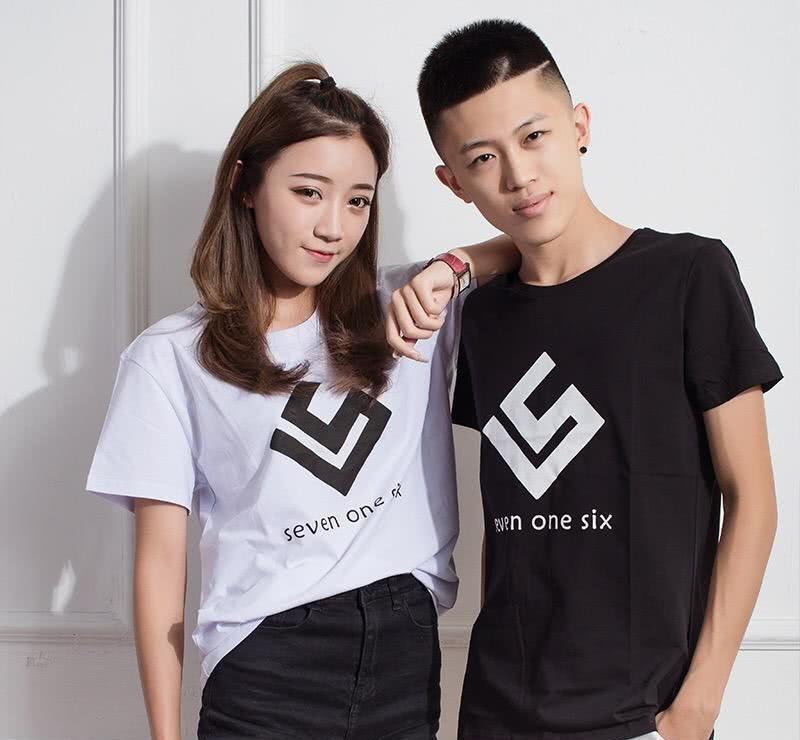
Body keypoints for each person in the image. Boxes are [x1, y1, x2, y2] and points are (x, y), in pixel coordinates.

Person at [85, 61, 518, 740]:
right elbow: (160, 565)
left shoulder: (411, 304)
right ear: (245, 185)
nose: (334, 227)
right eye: (309, 192)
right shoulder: (168, 357)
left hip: (403, 655)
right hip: (266, 668)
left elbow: (532, 242)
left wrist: (453, 264)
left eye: (358, 201)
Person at [390, 18, 783, 740]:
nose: (518, 175)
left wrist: (699, 701)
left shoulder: (687, 276)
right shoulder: (480, 317)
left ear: (579, 127)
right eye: (484, 158)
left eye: (534, 136)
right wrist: (461, 263)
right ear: (453, 182)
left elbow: (752, 497)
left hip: (644, 712)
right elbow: (509, 510)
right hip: (497, 711)